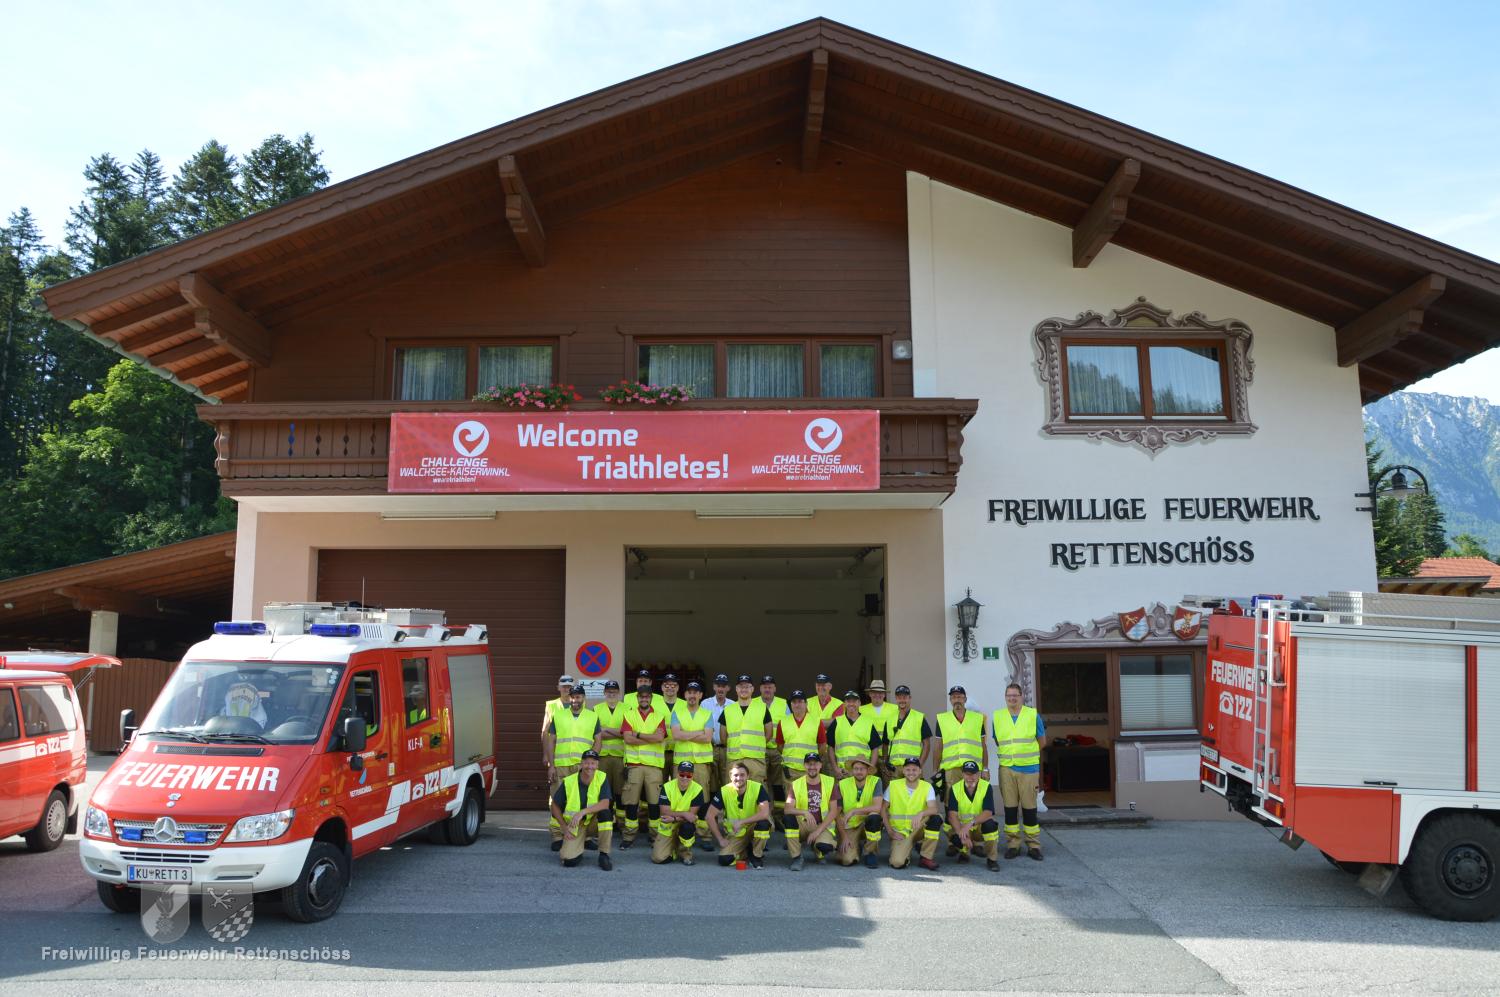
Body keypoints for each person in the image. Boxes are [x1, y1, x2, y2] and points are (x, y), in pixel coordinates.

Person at [545, 685, 603, 850]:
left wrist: (591, 763)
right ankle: (557, 836)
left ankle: (585, 836)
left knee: (584, 800)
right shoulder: (558, 715)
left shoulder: (592, 716)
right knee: (557, 800)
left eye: (578, 697)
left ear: (583, 698)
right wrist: (551, 765)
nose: (575, 700)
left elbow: (598, 741)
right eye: (572, 697)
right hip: (561, 765)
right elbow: (551, 741)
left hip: (582, 767)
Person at [993, 681, 1046, 861]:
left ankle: (1033, 846)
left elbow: (1042, 741)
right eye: (1009, 695)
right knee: (1010, 808)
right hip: (1006, 768)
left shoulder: (1032, 715)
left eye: (1015, 695)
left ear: (1022, 697)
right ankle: (1013, 845)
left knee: (1030, 809)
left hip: (1029, 769)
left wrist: (1026, 755)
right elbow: (997, 740)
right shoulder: (998, 716)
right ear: (1005, 697)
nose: (1012, 698)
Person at [620, 684, 669, 849]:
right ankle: (628, 836)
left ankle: (654, 837)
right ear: (637, 698)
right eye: (641, 696)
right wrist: (650, 738)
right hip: (634, 765)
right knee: (631, 803)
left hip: (654, 767)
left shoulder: (659, 716)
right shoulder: (629, 714)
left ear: (651, 698)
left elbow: (659, 738)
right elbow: (628, 739)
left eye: (647, 696)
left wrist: (638, 734)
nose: (644, 699)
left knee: (654, 804)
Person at [550, 750, 613, 870]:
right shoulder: (569, 781)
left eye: (593, 763)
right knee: (569, 861)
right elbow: (554, 806)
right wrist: (564, 827)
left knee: (606, 813)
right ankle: (578, 847)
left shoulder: (602, 777)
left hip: (593, 822)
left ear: (597, 765)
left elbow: (605, 803)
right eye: (587, 763)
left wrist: (583, 812)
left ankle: (604, 855)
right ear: (581, 764)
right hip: (576, 825)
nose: (590, 766)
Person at [670, 681, 716, 841]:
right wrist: (698, 733)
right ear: (685, 695)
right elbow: (676, 735)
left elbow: (707, 738)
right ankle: (679, 831)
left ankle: (704, 835)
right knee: (679, 796)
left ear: (700, 695)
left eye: (695, 692)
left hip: (701, 762)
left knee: (703, 797)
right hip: (681, 762)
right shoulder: (677, 713)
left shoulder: (707, 714)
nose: (692, 695)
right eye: (689, 692)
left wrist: (686, 734)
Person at [933, 685, 987, 818]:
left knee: (973, 798)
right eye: (953, 697)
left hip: (973, 768)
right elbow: (938, 746)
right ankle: (951, 829)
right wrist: (935, 770)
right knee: (950, 800)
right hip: (951, 769)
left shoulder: (977, 718)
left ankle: (973, 827)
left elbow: (983, 745)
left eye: (959, 697)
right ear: (950, 700)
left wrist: (985, 769)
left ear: (965, 699)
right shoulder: (942, 719)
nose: (957, 700)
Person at [709, 761, 772, 869]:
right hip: (736, 834)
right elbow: (709, 816)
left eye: (742, 775)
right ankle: (747, 850)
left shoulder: (757, 788)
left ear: (748, 776)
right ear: (730, 776)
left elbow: (765, 813)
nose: (739, 778)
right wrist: (720, 839)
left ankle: (756, 856)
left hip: (753, 827)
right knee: (724, 860)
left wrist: (742, 822)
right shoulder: (724, 791)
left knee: (764, 824)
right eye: (735, 775)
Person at [783, 752, 839, 871]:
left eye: (815, 764)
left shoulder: (830, 782)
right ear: (804, 766)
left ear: (820, 765)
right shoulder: (796, 784)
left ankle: (818, 849)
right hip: (804, 824)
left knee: (824, 846)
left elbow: (834, 811)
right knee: (788, 818)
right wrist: (805, 812)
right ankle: (797, 857)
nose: (812, 767)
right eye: (809, 764)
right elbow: (787, 809)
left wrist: (817, 831)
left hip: (822, 825)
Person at [885, 757, 942, 870]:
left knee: (936, 818)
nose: (911, 772)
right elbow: (883, 809)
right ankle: (906, 852)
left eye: (914, 770)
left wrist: (921, 813)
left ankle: (926, 857)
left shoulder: (927, 786)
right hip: (900, 832)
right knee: (897, 863)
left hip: (918, 828)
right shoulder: (893, 785)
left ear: (920, 771)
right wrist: (890, 831)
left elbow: (934, 809)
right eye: (908, 769)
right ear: (903, 771)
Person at [946, 760, 1001, 871]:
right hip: (963, 828)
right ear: (962, 774)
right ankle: (964, 853)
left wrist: (970, 824)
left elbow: (988, 812)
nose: (970, 777)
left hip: (978, 827)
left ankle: (992, 859)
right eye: (967, 774)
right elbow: (952, 815)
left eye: (973, 774)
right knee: (949, 827)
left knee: (990, 825)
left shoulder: (986, 787)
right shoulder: (955, 788)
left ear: (979, 774)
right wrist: (961, 833)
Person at [719, 675, 772, 784]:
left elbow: (769, 733)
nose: (744, 689)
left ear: (752, 689)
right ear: (736, 689)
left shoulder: (762, 708)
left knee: (756, 791)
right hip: (734, 760)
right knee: (733, 791)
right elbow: (723, 737)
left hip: (756, 760)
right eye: (741, 686)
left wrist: (757, 744)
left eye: (747, 686)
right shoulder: (728, 710)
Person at [653, 761, 706, 865]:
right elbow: (664, 812)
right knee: (658, 858)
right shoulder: (667, 787)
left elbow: (691, 816)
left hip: (682, 823)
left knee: (688, 827)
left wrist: (674, 818)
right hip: (668, 826)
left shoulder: (698, 789)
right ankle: (674, 850)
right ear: (677, 774)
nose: (685, 778)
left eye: (688, 775)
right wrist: (684, 814)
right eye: (682, 774)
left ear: (692, 776)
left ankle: (685, 853)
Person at [836, 757, 884, 868]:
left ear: (868, 770)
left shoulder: (876, 781)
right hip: (850, 825)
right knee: (847, 860)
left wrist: (854, 811)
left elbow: (877, 807)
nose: (859, 771)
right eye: (856, 768)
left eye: (862, 769)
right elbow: (836, 813)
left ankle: (870, 852)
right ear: (852, 770)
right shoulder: (842, 784)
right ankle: (857, 846)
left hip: (868, 821)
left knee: (875, 817)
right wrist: (843, 836)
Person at [776, 691, 826, 793]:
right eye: (794, 702)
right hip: (790, 770)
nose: (797, 705)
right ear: (790, 704)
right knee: (791, 800)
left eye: (800, 701)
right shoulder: (783, 722)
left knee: (810, 799)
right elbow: (780, 746)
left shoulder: (816, 721)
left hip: (810, 769)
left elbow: (822, 746)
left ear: (806, 703)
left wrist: (813, 761)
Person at [593, 680, 628, 823]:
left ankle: (620, 822)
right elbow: (596, 733)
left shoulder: (627, 709)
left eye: (614, 691)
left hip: (620, 756)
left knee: (620, 790)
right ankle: (606, 820)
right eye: (608, 691)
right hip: (602, 757)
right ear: (604, 692)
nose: (611, 694)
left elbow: (626, 733)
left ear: (618, 693)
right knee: (604, 790)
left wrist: (606, 729)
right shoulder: (596, 709)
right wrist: (617, 732)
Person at [827, 690, 880, 781]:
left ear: (859, 703)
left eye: (854, 701)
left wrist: (870, 769)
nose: (851, 704)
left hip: (862, 772)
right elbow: (830, 747)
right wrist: (835, 768)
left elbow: (875, 748)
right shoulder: (837, 722)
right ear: (844, 704)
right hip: (843, 772)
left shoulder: (868, 722)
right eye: (848, 701)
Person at [757, 675, 790, 814]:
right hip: (759, 749)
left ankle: (778, 814)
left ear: (775, 688)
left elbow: (789, 725)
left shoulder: (783, 704)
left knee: (778, 783)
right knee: (761, 781)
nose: (767, 689)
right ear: (760, 688)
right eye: (765, 687)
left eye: (770, 687)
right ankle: (764, 812)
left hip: (777, 750)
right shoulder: (753, 703)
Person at [885, 684, 932, 781]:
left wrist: (920, 764)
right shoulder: (889, 719)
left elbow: (927, 744)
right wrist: (887, 763)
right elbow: (885, 744)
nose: (902, 700)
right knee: (896, 791)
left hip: (913, 767)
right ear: (896, 698)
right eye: (899, 697)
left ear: (910, 698)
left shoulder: (919, 718)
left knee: (915, 791)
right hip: (895, 768)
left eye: (905, 697)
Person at [861, 679, 898, 771]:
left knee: (888, 779)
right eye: (874, 692)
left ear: (884, 694)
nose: (877, 695)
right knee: (868, 779)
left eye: (880, 692)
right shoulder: (861, 710)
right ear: (870, 694)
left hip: (888, 754)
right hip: (868, 754)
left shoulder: (895, 709)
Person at [704, 673, 732, 791]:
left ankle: (726, 802)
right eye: (718, 686)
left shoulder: (733, 705)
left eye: (723, 686)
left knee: (728, 779)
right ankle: (713, 802)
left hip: (727, 748)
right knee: (711, 780)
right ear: (714, 687)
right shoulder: (705, 704)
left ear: (728, 688)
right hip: (710, 747)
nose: (721, 689)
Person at [540, 675, 574, 744]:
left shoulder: (580, 704)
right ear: (558, 688)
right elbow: (545, 730)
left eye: (569, 687)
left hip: (575, 747)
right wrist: (546, 750)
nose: (567, 689)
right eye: (564, 686)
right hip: (556, 747)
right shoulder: (551, 705)